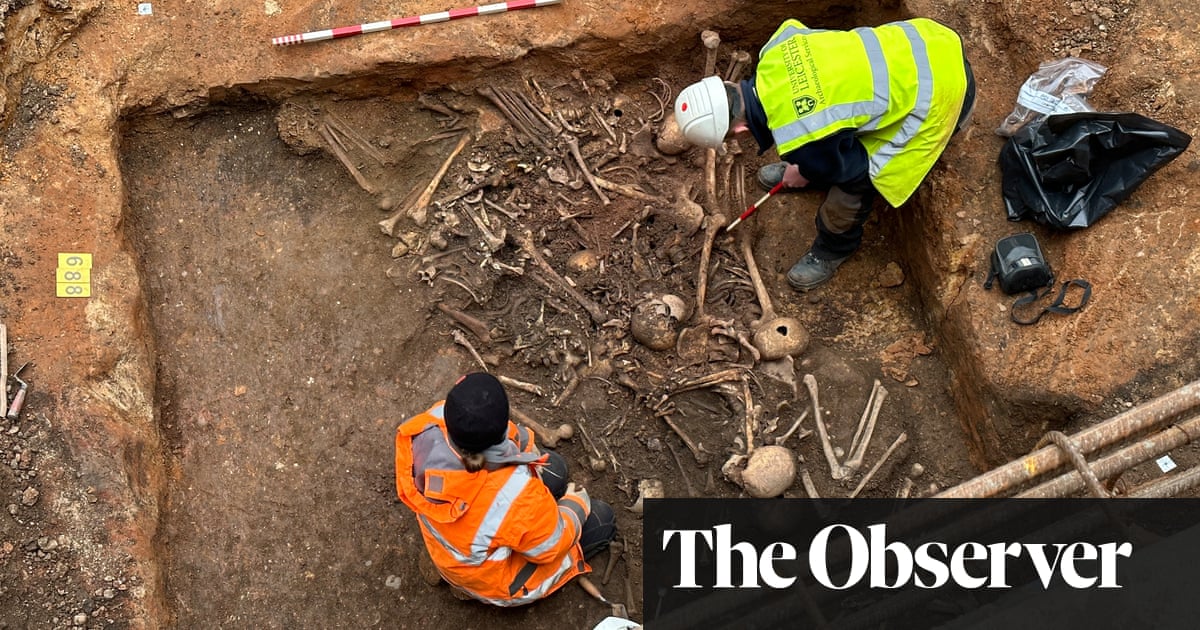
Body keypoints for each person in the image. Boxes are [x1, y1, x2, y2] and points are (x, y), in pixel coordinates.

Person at [674, 17, 976, 290]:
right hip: (929, 40)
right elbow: (820, 89)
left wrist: (811, 168)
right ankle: (813, 164)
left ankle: (834, 248)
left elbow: (851, 170)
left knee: (859, 178)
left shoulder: (801, 134)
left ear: (739, 131)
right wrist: (806, 161)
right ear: (727, 84)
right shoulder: (776, 46)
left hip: (945, 93)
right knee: (827, 135)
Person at [394, 372, 617, 606]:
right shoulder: (511, 497)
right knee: (602, 520)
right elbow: (551, 547)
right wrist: (576, 506)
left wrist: (528, 458)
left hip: (451, 546)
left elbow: (512, 437)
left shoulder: (432, 422)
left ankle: (451, 571)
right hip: (493, 579)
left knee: (555, 468)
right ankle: (469, 589)